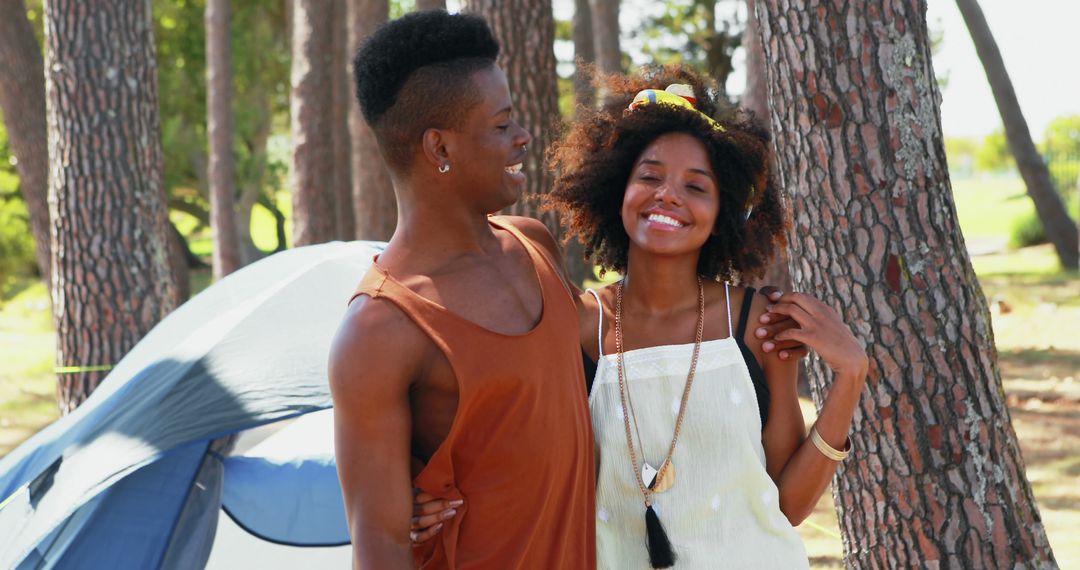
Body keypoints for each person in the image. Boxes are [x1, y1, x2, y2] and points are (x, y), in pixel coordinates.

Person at [413, 65, 868, 569]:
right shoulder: (578, 327)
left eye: (697, 187)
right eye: (649, 177)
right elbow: (503, 436)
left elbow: (789, 507)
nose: (668, 195)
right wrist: (423, 490)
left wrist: (849, 376)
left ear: (723, 214)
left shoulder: (758, 324)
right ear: (617, 190)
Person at [328, 11, 597, 569]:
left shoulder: (533, 245)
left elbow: (614, 334)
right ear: (440, 149)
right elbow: (380, 545)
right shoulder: (380, 328)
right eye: (502, 126)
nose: (524, 137)